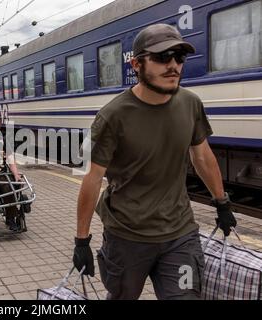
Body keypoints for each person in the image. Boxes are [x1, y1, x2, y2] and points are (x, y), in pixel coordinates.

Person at [73, 24, 237, 300]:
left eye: (179, 58)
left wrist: (222, 202)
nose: (173, 65)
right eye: (162, 57)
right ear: (136, 64)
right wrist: (82, 240)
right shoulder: (112, 117)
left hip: (180, 234)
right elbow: (92, 178)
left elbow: (202, 156)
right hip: (127, 237)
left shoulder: (190, 103)